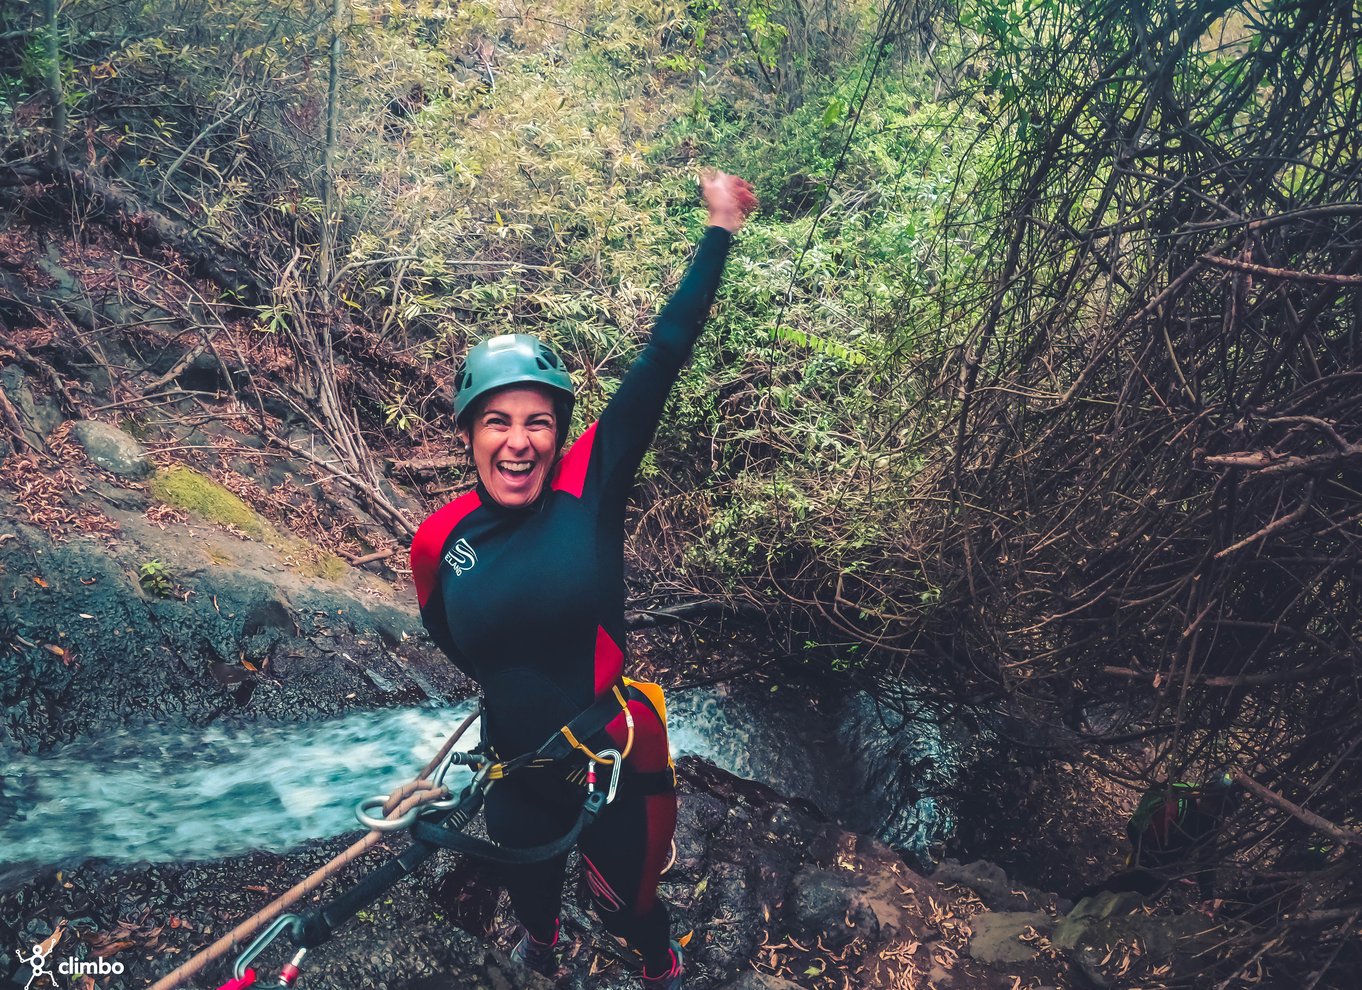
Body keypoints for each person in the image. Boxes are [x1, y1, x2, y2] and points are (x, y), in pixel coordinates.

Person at [409, 171, 757, 989]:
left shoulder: (588, 486)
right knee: (533, 894)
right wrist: (515, 686)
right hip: (514, 771)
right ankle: (541, 948)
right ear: (470, 435)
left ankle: (655, 961)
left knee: (631, 903)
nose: (519, 440)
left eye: (539, 420)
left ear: (561, 432)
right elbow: (447, 633)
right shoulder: (439, 538)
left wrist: (720, 227)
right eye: (498, 420)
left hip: (613, 760)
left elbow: (664, 355)